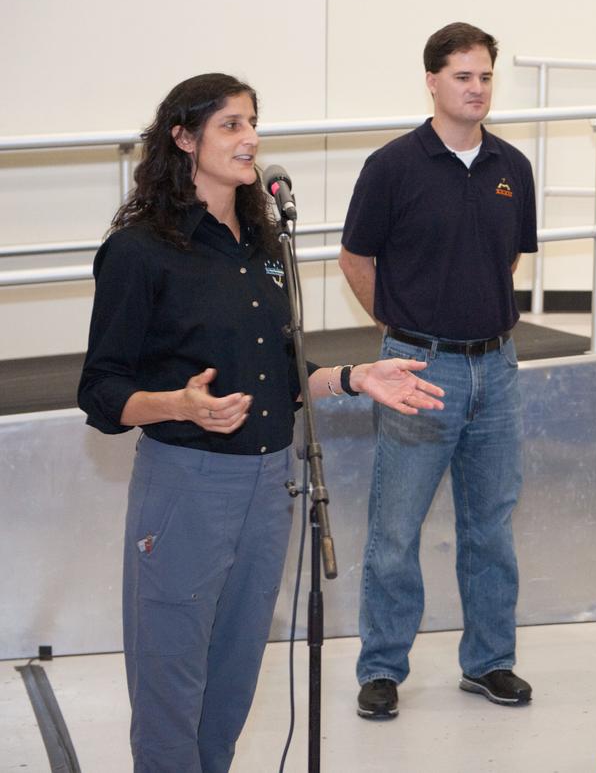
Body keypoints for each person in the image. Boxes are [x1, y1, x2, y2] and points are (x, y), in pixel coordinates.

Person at [77, 73, 445, 773]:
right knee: (171, 681)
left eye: (253, 123)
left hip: (272, 482)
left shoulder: (265, 246)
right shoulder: (140, 251)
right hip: (187, 483)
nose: (250, 139)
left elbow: (281, 378)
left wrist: (354, 378)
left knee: (235, 674)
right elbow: (101, 392)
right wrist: (179, 404)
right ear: (182, 138)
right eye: (230, 125)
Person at [339, 22, 538, 719]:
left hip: (498, 368)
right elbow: (355, 260)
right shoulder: (392, 167)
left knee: (491, 527)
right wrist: (401, 333)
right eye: (462, 76)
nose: (477, 88)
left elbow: (507, 263)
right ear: (431, 81)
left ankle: (489, 661)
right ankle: (382, 668)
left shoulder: (513, 166)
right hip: (417, 368)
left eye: (485, 76)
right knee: (396, 528)